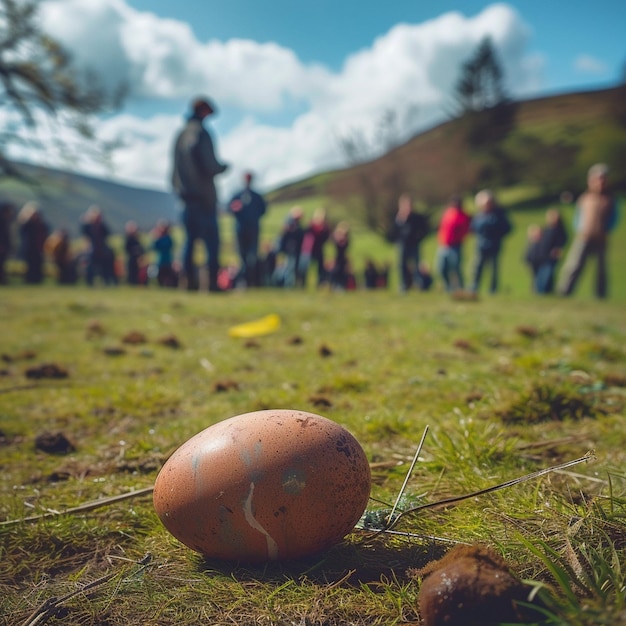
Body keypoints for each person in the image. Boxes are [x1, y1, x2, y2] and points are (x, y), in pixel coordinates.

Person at [171, 96, 228, 291]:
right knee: (212, 243)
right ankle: (211, 284)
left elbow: (174, 171)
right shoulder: (201, 133)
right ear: (204, 112)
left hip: (185, 199)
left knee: (189, 242)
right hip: (204, 199)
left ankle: (189, 283)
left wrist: (179, 189)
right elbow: (208, 165)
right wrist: (221, 167)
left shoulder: (180, 135)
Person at [557, 163, 618, 298]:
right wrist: (580, 230)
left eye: (603, 179)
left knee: (601, 269)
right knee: (574, 265)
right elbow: (577, 218)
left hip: (601, 238)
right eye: (597, 179)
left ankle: (600, 295)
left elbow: (614, 219)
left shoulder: (610, 200)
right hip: (583, 237)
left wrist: (606, 230)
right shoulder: (585, 198)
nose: (600, 182)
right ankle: (564, 292)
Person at [228, 171, 267, 287]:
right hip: (240, 230)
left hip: (253, 230)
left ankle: (252, 280)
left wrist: (253, 218)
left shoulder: (257, 197)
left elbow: (264, 210)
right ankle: (243, 280)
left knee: (252, 255)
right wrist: (234, 209)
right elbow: (229, 208)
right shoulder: (237, 195)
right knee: (242, 255)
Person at [469, 189, 512, 294]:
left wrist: (496, 234)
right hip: (481, 245)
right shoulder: (479, 215)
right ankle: (474, 287)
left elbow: (507, 228)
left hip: (494, 245)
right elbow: (473, 228)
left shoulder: (499, 215)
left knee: (493, 269)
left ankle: (493, 290)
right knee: (477, 267)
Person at [394, 193, 429, 291]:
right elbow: (395, 232)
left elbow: (424, 230)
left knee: (417, 265)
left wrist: (418, 239)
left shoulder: (416, 217)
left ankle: (420, 285)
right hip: (402, 245)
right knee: (401, 266)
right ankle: (404, 285)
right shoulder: (398, 218)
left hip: (414, 245)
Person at [436, 195, 471, 292]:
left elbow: (466, 230)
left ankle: (460, 288)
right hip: (443, 245)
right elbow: (442, 227)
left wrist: (460, 239)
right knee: (441, 269)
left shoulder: (463, 216)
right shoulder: (447, 213)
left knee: (456, 269)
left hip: (455, 246)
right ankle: (448, 288)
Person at [81, 205, 117, 286]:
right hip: (92, 248)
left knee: (107, 263)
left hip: (102, 248)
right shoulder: (88, 226)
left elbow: (108, 234)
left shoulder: (102, 226)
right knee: (90, 265)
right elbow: (85, 236)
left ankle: (107, 281)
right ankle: (89, 283)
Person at [534, 208, 568, 294]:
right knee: (541, 275)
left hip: (552, 256)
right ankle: (540, 291)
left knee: (547, 274)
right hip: (542, 255)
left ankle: (545, 291)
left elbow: (563, 241)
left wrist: (558, 249)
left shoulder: (559, 230)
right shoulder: (546, 229)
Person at [18, 202, 49, 284]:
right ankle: (30, 280)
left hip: (39, 248)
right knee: (30, 265)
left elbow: (45, 234)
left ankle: (37, 280)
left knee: (38, 265)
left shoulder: (41, 224)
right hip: (29, 248)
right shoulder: (26, 224)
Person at [273, 207, 305, 287]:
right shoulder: (290, 223)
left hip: (289, 249)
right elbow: (285, 236)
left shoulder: (291, 223)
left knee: (289, 267)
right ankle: (287, 284)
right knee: (289, 267)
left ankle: (286, 284)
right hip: (289, 249)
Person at [300, 207, 331, 287]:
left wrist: (323, 229)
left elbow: (326, 238)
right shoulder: (310, 226)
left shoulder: (325, 228)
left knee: (320, 269)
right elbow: (304, 235)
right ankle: (302, 284)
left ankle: (319, 284)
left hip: (318, 249)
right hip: (308, 250)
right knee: (304, 268)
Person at [152, 220, 177, 287]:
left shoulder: (168, 238)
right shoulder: (160, 238)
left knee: (168, 275)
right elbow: (153, 247)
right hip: (160, 261)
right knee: (161, 275)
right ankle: (162, 285)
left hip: (167, 260)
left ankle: (167, 285)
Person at [329, 221, 351, 290]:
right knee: (335, 272)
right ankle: (334, 285)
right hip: (336, 259)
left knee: (342, 273)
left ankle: (341, 286)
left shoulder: (345, 241)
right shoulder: (335, 240)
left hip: (342, 259)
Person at [124, 221, 145, 285]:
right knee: (131, 270)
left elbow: (142, 248)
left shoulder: (137, 239)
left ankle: (136, 281)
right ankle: (131, 282)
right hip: (131, 258)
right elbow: (127, 248)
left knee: (136, 271)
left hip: (137, 258)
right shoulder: (128, 239)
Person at [0, 202, 15, 284]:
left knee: (2, 264)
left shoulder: (6, 221)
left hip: (4, 247)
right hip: (1, 247)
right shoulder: (2, 222)